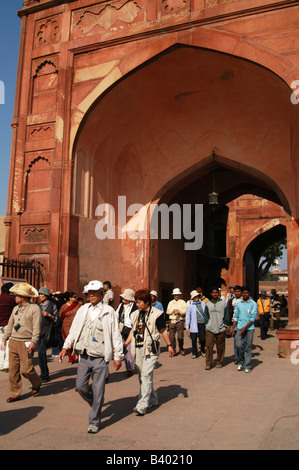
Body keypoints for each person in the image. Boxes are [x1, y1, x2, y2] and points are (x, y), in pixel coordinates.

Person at [58, 280, 123, 434]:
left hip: (100, 356)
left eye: (95, 293)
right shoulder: (83, 310)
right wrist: (65, 346)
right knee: (80, 386)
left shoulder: (109, 311)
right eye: (89, 293)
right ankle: (96, 403)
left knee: (98, 388)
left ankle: (94, 420)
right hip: (85, 354)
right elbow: (75, 329)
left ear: (102, 293)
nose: (92, 296)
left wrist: (118, 356)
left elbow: (115, 334)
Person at [124, 289, 174, 416]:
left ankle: (142, 404)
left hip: (151, 348)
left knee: (146, 374)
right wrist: (126, 344)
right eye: (136, 302)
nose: (137, 305)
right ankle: (152, 399)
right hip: (138, 347)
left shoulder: (157, 314)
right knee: (143, 375)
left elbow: (163, 330)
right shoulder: (135, 314)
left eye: (140, 302)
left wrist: (169, 345)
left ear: (147, 302)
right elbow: (132, 331)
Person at [0, 283, 42, 402]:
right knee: (13, 370)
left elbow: (36, 327)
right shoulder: (15, 309)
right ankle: (15, 393)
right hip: (14, 341)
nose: (15, 297)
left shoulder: (34, 309)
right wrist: (4, 339)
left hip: (26, 342)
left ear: (23, 296)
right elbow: (10, 325)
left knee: (26, 369)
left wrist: (34, 341)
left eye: (17, 295)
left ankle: (36, 382)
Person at [232, 286, 257, 373]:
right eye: (243, 293)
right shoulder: (239, 304)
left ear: (249, 294)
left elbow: (253, 318)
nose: (245, 294)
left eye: (246, 293)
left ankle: (247, 365)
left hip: (249, 328)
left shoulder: (253, 304)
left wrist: (245, 328)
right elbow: (236, 316)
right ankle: (241, 361)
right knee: (238, 345)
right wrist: (232, 328)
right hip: (239, 327)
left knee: (248, 347)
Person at [204, 287, 231, 370]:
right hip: (210, 329)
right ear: (211, 294)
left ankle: (219, 361)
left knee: (220, 347)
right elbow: (206, 316)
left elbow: (226, 315)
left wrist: (225, 325)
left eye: (216, 292)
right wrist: (207, 324)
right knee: (208, 346)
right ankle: (209, 362)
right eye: (213, 292)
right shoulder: (208, 304)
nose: (215, 294)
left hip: (220, 328)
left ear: (218, 294)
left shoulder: (223, 304)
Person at [37, 287, 59, 382]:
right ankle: (43, 373)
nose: (40, 296)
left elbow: (57, 319)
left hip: (47, 331)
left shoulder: (52, 305)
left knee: (41, 352)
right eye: (39, 294)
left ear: (46, 295)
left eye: (42, 294)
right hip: (38, 331)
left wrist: (49, 315)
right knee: (40, 353)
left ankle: (44, 374)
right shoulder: (37, 306)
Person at [115, 288, 138, 377]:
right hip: (121, 329)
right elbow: (116, 316)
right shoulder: (121, 306)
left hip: (130, 330)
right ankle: (128, 366)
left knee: (129, 350)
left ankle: (130, 369)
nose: (123, 299)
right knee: (122, 349)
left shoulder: (134, 306)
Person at [59, 291, 80, 364]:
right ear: (69, 298)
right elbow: (60, 316)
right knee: (69, 341)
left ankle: (79, 356)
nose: (76, 298)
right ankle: (71, 358)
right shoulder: (64, 306)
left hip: (77, 325)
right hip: (66, 326)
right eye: (74, 297)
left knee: (76, 341)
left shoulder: (78, 305)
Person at [166, 288, 187, 355]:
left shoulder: (183, 302)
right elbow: (167, 311)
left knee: (180, 337)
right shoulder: (170, 303)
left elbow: (185, 311)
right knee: (171, 337)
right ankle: (173, 349)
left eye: (177, 294)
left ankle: (181, 348)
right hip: (172, 321)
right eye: (175, 295)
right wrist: (173, 311)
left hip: (179, 321)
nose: (176, 296)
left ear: (179, 295)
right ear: (173, 295)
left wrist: (179, 311)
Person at [185, 290, 206, 358]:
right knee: (193, 339)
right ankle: (194, 353)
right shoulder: (191, 306)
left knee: (202, 338)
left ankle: (202, 350)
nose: (196, 298)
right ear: (193, 298)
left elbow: (206, 313)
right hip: (194, 324)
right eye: (195, 297)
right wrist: (187, 326)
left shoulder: (203, 304)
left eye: (197, 296)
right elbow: (188, 316)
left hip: (202, 323)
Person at [0, 282, 15, 371]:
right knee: (9, 344)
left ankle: (1, 364)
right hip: (8, 324)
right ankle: (7, 364)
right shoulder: (11, 299)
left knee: (1, 344)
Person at [227, 285, 243, 363]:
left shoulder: (245, 300)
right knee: (236, 342)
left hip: (244, 322)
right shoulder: (231, 301)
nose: (237, 293)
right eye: (236, 291)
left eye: (239, 291)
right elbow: (229, 312)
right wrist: (229, 325)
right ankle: (237, 357)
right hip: (235, 322)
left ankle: (242, 356)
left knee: (243, 341)